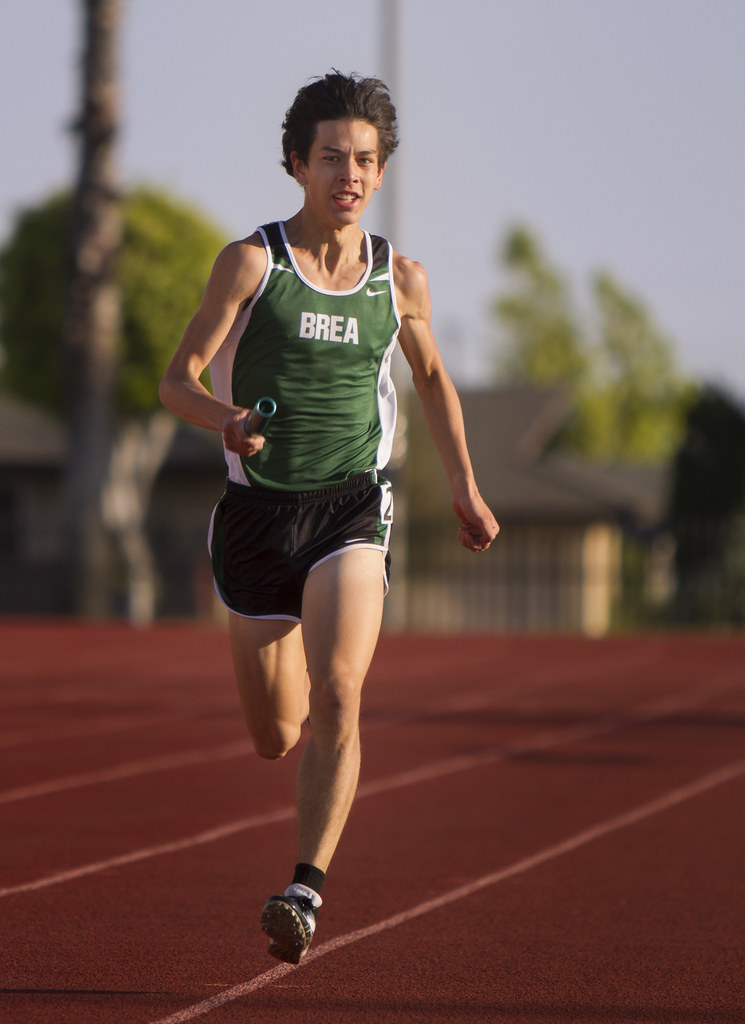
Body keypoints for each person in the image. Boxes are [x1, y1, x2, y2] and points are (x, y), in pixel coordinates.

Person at [159, 71, 499, 964]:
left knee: (342, 693)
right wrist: (222, 419)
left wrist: (463, 484)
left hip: (352, 505)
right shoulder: (252, 262)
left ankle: (303, 888)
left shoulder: (400, 279)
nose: (347, 174)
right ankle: (304, 711)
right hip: (255, 520)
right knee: (276, 737)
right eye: (330, 158)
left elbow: (428, 377)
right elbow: (175, 381)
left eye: (363, 160)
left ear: (380, 172)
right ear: (296, 164)